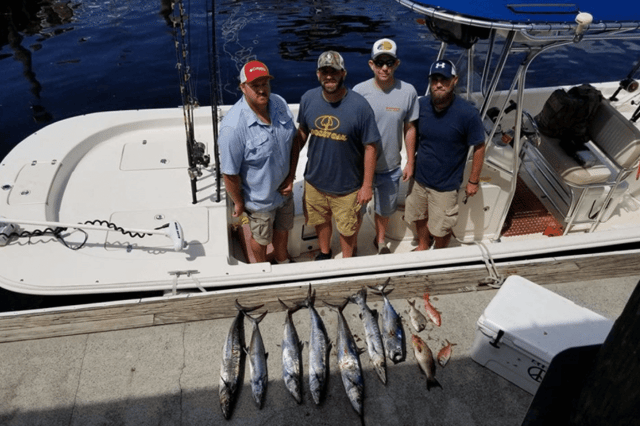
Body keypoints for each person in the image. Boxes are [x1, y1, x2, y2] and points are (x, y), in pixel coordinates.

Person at [295, 51, 380, 260]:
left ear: (343, 73)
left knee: (348, 228)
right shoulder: (308, 98)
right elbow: (303, 132)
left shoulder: (360, 106)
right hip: (315, 181)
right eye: (325, 71)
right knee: (320, 220)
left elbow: (371, 146)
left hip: (347, 186)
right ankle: (325, 252)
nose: (329, 76)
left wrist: (367, 185)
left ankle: (347, 258)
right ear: (318, 74)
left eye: (334, 71)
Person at [219, 60, 297, 264]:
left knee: (283, 229)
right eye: (255, 85)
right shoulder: (232, 128)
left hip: (285, 192)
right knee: (261, 238)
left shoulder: (279, 103)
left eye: (265, 83)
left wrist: (290, 178)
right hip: (259, 201)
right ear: (243, 87)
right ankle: (262, 267)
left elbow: (293, 142)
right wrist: (239, 202)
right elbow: (229, 174)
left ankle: (282, 259)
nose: (262, 90)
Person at [405, 59, 486, 250]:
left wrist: (473, 180)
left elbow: (479, 146)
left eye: (444, 79)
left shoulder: (468, 113)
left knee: (441, 227)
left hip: (446, 185)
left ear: (454, 80)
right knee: (419, 216)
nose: (439, 84)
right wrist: (409, 162)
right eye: (435, 80)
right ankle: (423, 245)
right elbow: (411, 130)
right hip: (420, 178)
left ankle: (439, 253)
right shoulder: (421, 105)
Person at [353, 38, 419, 254]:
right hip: (360, 169)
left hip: (391, 167)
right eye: (379, 62)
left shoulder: (408, 92)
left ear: (396, 64)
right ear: (371, 64)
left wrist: (410, 161)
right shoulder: (359, 92)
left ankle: (380, 241)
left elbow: (409, 128)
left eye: (389, 63)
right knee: (356, 210)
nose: (384, 68)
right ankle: (351, 243)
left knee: (386, 209)